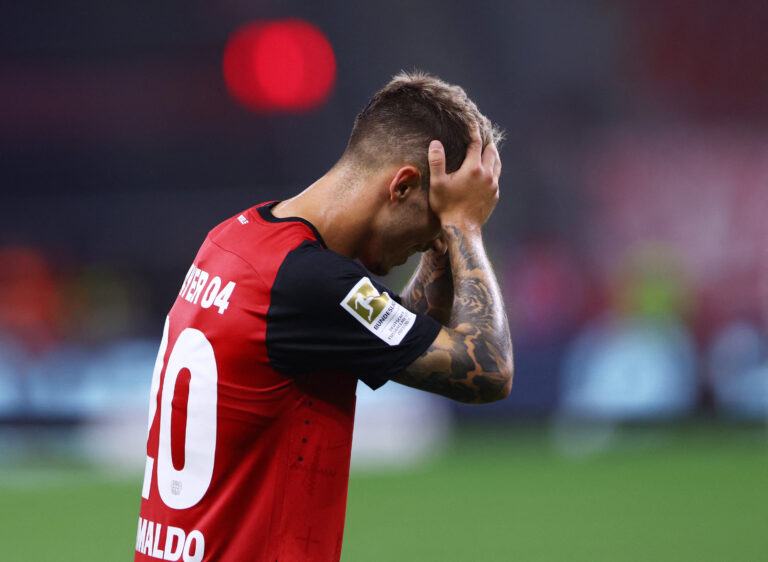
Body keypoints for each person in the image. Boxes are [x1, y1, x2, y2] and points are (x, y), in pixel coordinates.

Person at [134, 71, 513, 562]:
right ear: (402, 186)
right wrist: (465, 227)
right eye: (432, 221)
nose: (428, 240)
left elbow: (397, 339)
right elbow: (487, 371)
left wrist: (442, 243)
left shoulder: (235, 240)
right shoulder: (310, 284)